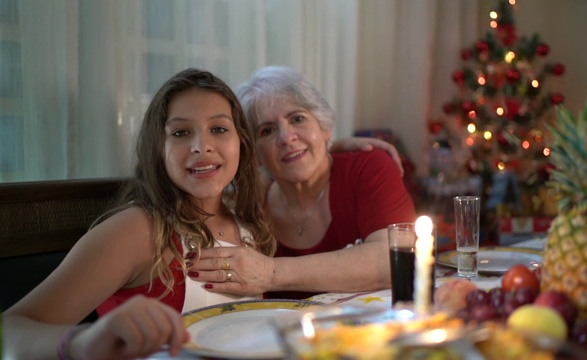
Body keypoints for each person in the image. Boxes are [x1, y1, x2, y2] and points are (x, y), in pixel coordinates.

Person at [2, 68, 276, 359]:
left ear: (241, 143)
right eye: (181, 133)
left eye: (219, 129)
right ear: (159, 150)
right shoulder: (139, 229)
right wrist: (81, 340)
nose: (202, 146)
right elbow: (9, 330)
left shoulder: (248, 220)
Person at [187, 66, 417, 299]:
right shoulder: (248, 204)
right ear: (253, 152)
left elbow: (393, 261)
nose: (287, 138)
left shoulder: (368, 166)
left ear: (324, 127)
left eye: (297, 119)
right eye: (267, 130)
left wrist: (270, 273)